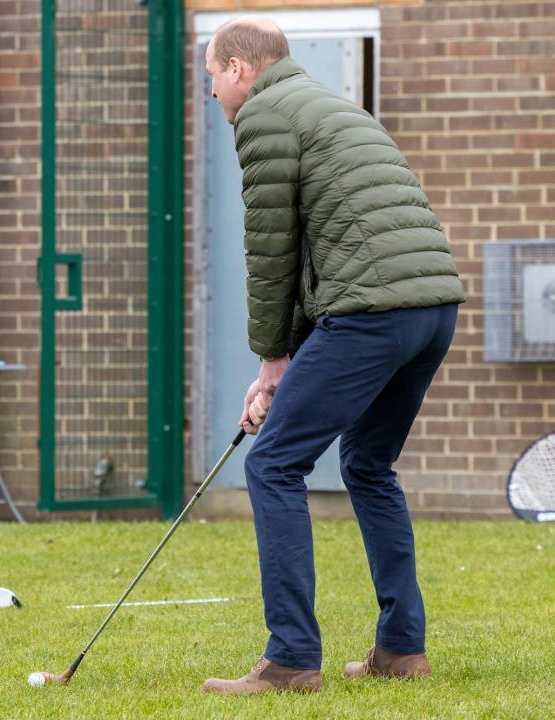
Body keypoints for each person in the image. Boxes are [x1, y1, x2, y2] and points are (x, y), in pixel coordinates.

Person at [201, 17, 466, 696]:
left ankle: (290, 659)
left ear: (237, 69)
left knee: (273, 462)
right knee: (368, 464)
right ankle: (402, 650)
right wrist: (285, 357)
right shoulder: (333, 106)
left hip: (372, 313)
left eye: (211, 77)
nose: (211, 93)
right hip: (432, 309)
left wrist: (269, 362)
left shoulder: (263, 116)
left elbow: (270, 251)